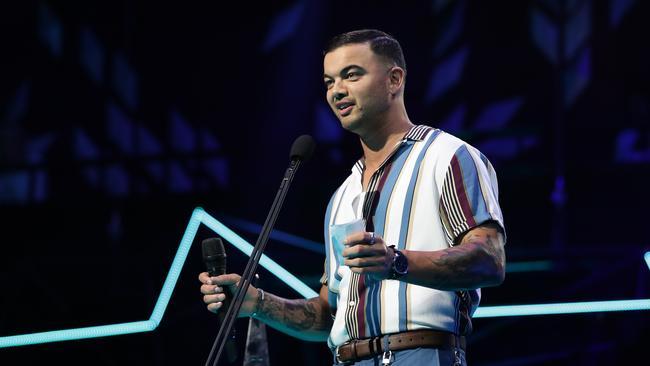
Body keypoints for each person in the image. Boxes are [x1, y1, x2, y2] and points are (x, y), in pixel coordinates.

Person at [199, 29, 506, 366]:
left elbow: (489, 260)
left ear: (394, 79)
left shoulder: (447, 156)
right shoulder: (343, 195)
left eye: (351, 75)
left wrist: (395, 262)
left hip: (423, 354)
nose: (337, 92)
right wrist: (257, 302)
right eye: (329, 82)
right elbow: (329, 315)